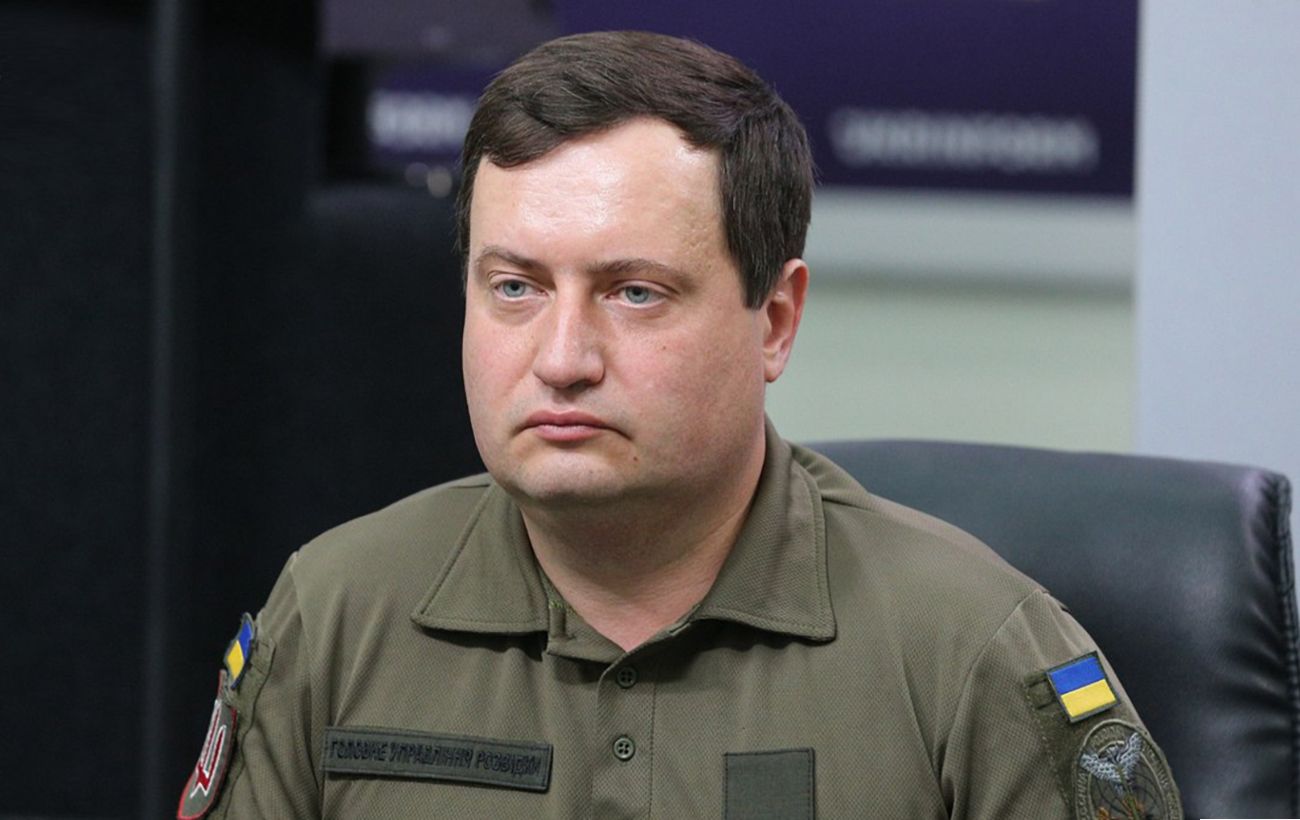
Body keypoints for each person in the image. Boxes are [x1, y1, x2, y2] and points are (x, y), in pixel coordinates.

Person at [178, 31, 1180, 819]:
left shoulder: (970, 652)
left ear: (774, 321)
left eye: (635, 293)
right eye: (516, 287)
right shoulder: (335, 615)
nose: (562, 356)